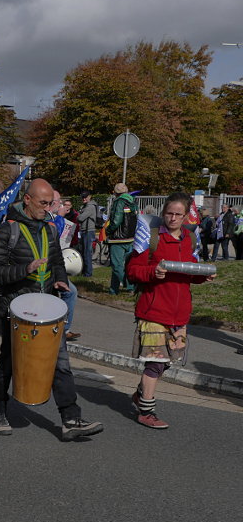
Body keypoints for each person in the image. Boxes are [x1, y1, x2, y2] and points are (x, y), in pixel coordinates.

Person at [0, 179, 103, 441]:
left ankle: (70, 418)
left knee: (60, 362)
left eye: (51, 203)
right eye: (43, 203)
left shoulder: (49, 228)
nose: (48, 208)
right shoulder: (6, 230)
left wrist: (59, 278)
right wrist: (23, 270)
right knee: (9, 362)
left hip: (47, 309)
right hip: (15, 310)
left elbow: (57, 259)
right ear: (27, 199)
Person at [126, 192, 215, 428]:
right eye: (169, 213)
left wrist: (203, 276)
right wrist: (152, 272)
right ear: (163, 212)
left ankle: (140, 395)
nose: (172, 218)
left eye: (178, 214)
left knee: (166, 363)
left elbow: (190, 273)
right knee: (155, 363)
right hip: (153, 310)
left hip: (180, 313)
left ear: (186, 216)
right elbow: (133, 270)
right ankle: (146, 411)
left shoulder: (190, 239)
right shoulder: (151, 237)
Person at [50, 191, 81, 341]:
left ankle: (63, 327)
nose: (60, 205)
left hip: (55, 264)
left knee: (70, 291)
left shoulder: (55, 217)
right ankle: (59, 328)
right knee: (69, 291)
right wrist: (61, 217)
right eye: (58, 202)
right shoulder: (49, 218)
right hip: (45, 267)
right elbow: (53, 234)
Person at [106, 183, 138, 295]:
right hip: (130, 237)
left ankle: (130, 286)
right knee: (123, 265)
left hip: (118, 238)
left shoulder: (119, 202)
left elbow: (116, 221)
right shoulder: (132, 201)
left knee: (116, 265)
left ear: (116, 192)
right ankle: (113, 290)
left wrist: (107, 231)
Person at [77, 190, 99, 277]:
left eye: (85, 197)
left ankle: (88, 273)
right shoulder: (86, 206)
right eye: (82, 197)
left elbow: (80, 218)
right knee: (84, 251)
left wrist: (79, 215)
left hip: (88, 231)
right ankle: (85, 271)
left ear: (89, 197)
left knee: (87, 253)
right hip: (85, 231)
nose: (84, 198)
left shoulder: (90, 207)